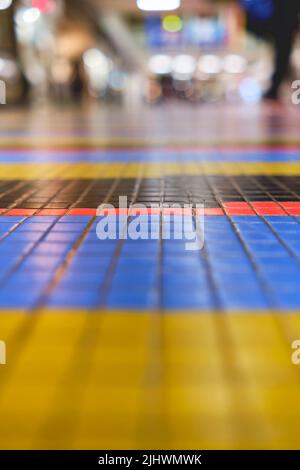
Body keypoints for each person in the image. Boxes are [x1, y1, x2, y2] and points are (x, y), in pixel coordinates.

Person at [264, 0, 300, 100]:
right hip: (284, 25)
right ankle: (275, 89)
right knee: (282, 57)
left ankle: (274, 89)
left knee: (281, 57)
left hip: (283, 25)